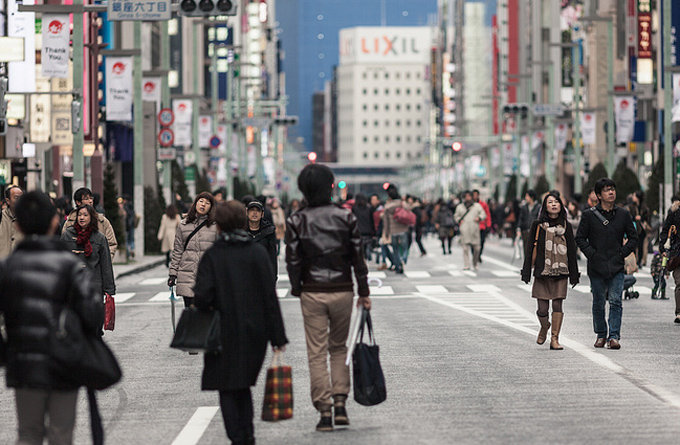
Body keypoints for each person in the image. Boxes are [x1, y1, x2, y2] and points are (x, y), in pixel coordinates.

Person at [0, 191, 103, 445]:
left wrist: (6, 354)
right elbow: (92, 315)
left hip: (24, 363)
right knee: (61, 433)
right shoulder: (68, 265)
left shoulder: (8, 268)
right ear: (55, 222)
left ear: (19, 225)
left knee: (28, 433)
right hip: (65, 362)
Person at [194, 200, 288, 445]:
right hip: (253, 331)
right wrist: (278, 337)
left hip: (220, 332)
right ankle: (248, 434)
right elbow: (270, 297)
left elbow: (202, 297)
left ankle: (237, 437)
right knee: (243, 383)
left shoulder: (213, 256)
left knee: (227, 386)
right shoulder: (256, 253)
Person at [285, 164, 371, 432]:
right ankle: (341, 403)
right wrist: (364, 291)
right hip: (343, 289)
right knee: (338, 347)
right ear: (331, 186)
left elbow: (293, 260)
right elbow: (358, 257)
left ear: (303, 189)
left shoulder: (296, 220)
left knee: (316, 352)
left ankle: (324, 411)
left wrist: (298, 287)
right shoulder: (345, 217)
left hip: (312, 290)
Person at [575, 178, 638, 349]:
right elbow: (580, 238)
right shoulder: (589, 215)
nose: (611, 192)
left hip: (616, 266)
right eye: (607, 190)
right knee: (598, 302)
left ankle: (614, 337)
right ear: (599, 195)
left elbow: (634, 238)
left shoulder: (623, 214)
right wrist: (591, 254)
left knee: (616, 300)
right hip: (596, 266)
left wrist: (622, 254)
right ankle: (601, 334)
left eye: (613, 189)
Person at [521, 191, 580, 350]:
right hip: (543, 271)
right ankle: (544, 326)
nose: (554, 204)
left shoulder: (565, 226)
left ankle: (555, 339)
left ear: (561, 206)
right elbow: (529, 249)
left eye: (556, 202)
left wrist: (574, 274)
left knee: (558, 306)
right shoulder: (537, 225)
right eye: (550, 202)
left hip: (560, 271)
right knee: (542, 309)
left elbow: (571, 251)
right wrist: (526, 271)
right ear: (545, 207)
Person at [168, 192, 218, 308]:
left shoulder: (215, 226)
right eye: (201, 201)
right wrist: (173, 274)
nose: (203, 205)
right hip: (187, 273)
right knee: (190, 310)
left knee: (206, 311)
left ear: (211, 207)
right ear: (195, 203)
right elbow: (178, 250)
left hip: (207, 275)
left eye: (207, 203)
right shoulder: (183, 225)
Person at [61, 204, 116, 305]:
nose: (82, 218)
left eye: (85, 215)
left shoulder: (99, 238)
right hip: (73, 285)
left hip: (94, 286)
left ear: (91, 217)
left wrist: (109, 290)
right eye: (79, 215)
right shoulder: (67, 235)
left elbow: (106, 265)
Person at [62, 187, 117, 261]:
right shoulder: (70, 222)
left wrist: (105, 261)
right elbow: (63, 245)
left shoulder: (102, 221)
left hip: (96, 266)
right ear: (78, 202)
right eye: (87, 199)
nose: (90, 201)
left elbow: (111, 243)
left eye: (91, 198)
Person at [659, 195, 680, 321]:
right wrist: (663, 249)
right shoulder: (675, 211)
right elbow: (665, 230)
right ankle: (679, 312)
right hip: (677, 253)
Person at [455, 191, 487, 270]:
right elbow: (456, 216)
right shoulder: (460, 207)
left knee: (477, 248)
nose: (467, 198)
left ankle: (475, 263)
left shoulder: (477, 206)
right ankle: (467, 265)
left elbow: (483, 214)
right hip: (464, 229)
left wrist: (479, 218)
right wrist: (459, 220)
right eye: (466, 196)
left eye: (469, 196)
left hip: (474, 229)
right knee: (465, 248)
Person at [381, 184, 409, 274]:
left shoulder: (387, 207)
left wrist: (386, 232)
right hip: (403, 229)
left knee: (395, 249)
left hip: (393, 231)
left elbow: (386, 221)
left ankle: (398, 266)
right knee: (405, 248)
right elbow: (408, 212)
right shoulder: (402, 204)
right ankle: (403, 259)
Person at [246, 201, 278, 274]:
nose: (254, 213)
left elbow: (272, 257)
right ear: (247, 213)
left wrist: (273, 277)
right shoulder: (241, 231)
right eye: (252, 210)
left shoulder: (269, 231)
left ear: (262, 214)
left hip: (263, 272)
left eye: (257, 210)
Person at [0, 185, 23, 259]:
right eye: (16, 198)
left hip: (20, 266)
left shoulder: (27, 219)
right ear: (8, 201)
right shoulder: (1, 217)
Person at [352, 193, 376, 261]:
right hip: (368, 231)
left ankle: (363, 259)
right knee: (368, 247)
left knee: (360, 248)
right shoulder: (369, 208)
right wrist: (374, 232)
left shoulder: (354, 209)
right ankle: (367, 258)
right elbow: (372, 221)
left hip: (358, 231)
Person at [472, 190, 492, 262]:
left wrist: (488, 224)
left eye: (476, 195)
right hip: (472, 227)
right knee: (473, 242)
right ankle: (474, 255)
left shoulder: (483, 204)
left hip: (482, 226)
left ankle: (478, 255)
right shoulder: (469, 204)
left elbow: (487, 214)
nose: (475, 196)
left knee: (481, 242)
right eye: (473, 195)